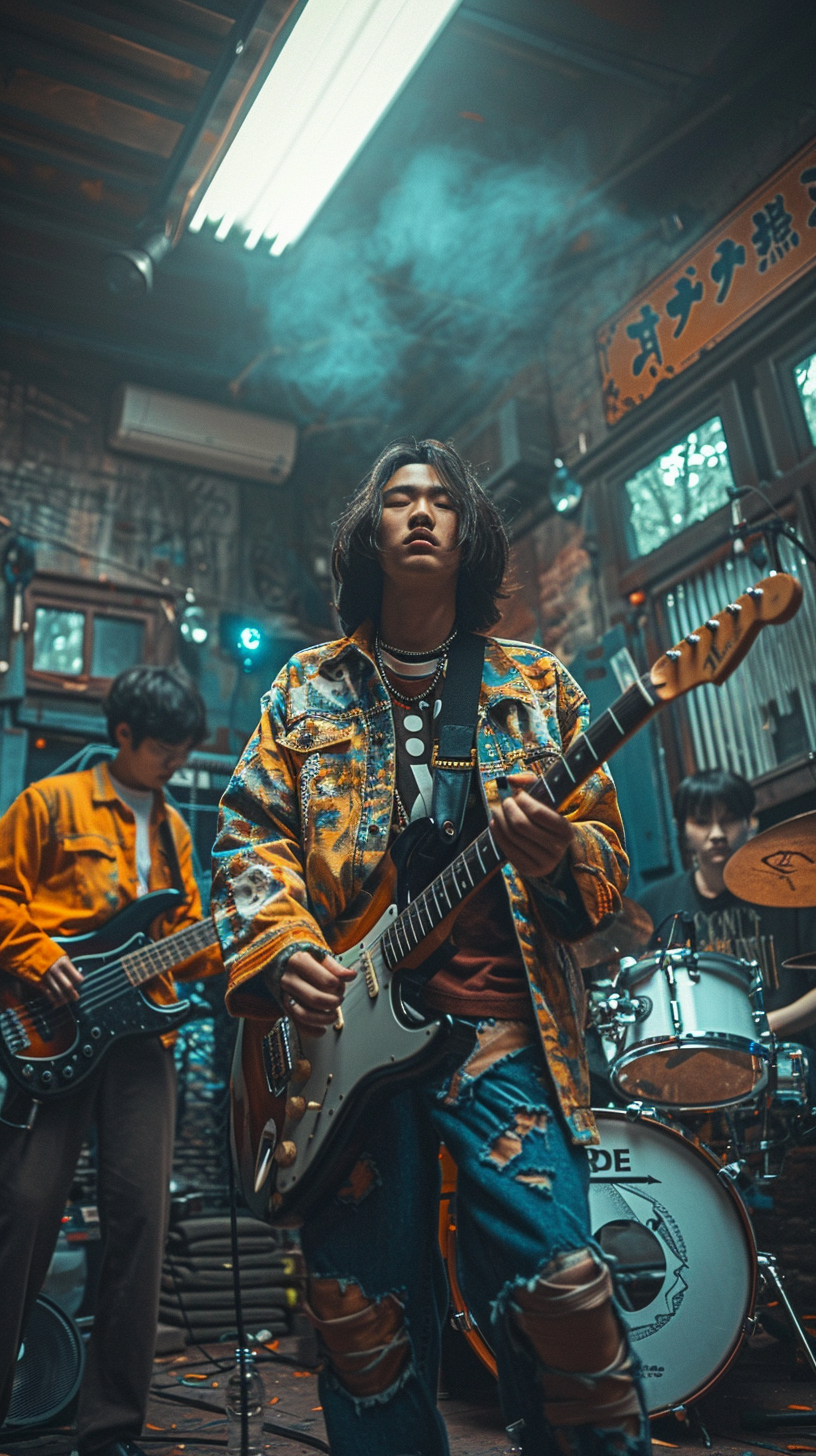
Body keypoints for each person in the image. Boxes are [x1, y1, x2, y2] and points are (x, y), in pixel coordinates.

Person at [212, 438, 651, 1456]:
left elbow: (606, 867)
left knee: (564, 1285)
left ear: (469, 533)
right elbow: (246, 836)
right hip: (339, 1044)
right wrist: (282, 948)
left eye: (440, 501)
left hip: (499, 1027)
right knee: (359, 1318)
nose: (418, 512)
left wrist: (554, 855)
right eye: (398, 499)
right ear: (371, 533)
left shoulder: (538, 683)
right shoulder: (302, 689)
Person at [0, 665, 222, 1456]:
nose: (174, 763)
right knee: (22, 1210)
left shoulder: (173, 829)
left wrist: (222, 940)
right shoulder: (47, 805)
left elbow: (185, 935)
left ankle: (112, 1429)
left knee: (141, 1223)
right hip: (48, 1029)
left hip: (140, 1044)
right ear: (123, 736)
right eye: (163, 748)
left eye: (183, 750)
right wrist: (31, 955)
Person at [638, 769, 816, 1045]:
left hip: (785, 1058)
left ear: (750, 822)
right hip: (702, 1065)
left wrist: (759, 1028)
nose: (717, 834)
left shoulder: (792, 892)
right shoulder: (653, 904)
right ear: (682, 829)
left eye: (730, 820)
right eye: (701, 821)